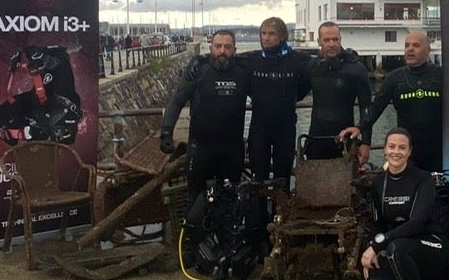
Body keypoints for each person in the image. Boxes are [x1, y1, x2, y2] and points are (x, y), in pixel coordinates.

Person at [360, 127, 449, 280]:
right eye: (392, 147)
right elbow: (378, 226)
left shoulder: (423, 179)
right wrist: (370, 250)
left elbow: (416, 224)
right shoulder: (379, 183)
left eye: (402, 148)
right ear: (384, 150)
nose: (396, 152)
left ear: (409, 152)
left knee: (396, 247)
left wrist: (376, 246)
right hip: (397, 250)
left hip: (432, 245)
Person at [159, 29, 252, 204]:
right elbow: (177, 101)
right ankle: (198, 230)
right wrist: (166, 132)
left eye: (227, 47)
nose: (222, 51)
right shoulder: (198, 71)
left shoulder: (243, 73)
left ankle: (225, 231)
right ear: (210, 48)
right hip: (200, 149)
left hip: (232, 151)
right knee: (197, 202)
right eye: (218, 46)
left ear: (235, 50)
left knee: (229, 202)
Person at [345, 30, 443, 172]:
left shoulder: (441, 75)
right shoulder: (395, 78)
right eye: (407, 45)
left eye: (416, 45)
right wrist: (360, 127)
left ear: (428, 50)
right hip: (406, 150)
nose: (410, 49)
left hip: (438, 149)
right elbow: (376, 107)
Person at [239, 17, 312, 186]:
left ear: (282, 37)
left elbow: (307, 83)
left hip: (285, 130)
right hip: (259, 130)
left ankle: (282, 212)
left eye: (271, 34)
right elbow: (225, 57)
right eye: (263, 33)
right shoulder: (252, 60)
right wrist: (198, 60)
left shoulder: (299, 60)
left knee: (283, 178)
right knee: (258, 180)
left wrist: (348, 56)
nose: (266, 37)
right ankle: (260, 212)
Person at [305, 21, 371, 160]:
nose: (331, 44)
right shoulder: (312, 67)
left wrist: (366, 142)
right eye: (327, 40)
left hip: (345, 140)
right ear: (319, 41)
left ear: (340, 40)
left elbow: (366, 107)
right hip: (316, 139)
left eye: (335, 39)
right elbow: (296, 93)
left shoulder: (356, 69)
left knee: (347, 182)